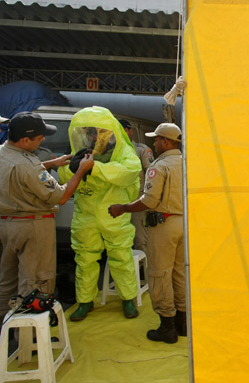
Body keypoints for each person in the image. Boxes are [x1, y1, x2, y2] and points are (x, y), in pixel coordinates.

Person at [0, 112, 94, 322]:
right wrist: (80, 171)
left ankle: (4, 331)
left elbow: (19, 173)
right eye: (39, 137)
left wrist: (51, 163)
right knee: (36, 282)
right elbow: (60, 196)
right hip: (32, 226)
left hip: (6, 224)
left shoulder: (4, 154)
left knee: (7, 282)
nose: (43, 140)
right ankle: (30, 333)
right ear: (25, 140)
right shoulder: (28, 165)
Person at [58, 106, 142, 321]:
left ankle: (128, 299)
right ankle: (85, 301)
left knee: (121, 258)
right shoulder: (82, 151)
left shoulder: (123, 152)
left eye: (99, 131)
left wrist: (93, 168)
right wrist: (74, 168)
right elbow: (64, 177)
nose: (94, 136)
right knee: (85, 259)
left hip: (114, 215)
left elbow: (130, 171)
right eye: (90, 132)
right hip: (86, 215)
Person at [108, 123, 185, 344]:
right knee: (179, 273)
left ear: (166, 141)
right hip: (183, 223)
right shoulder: (186, 163)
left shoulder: (158, 166)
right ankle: (182, 324)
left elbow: (149, 200)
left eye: (157, 139)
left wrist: (123, 208)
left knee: (159, 274)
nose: (154, 142)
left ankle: (167, 327)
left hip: (163, 225)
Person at [118, 118, 154, 253]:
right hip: (118, 202)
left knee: (141, 241)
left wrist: (148, 199)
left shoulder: (141, 150)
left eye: (123, 130)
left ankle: (146, 267)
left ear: (130, 131)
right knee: (120, 242)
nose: (120, 134)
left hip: (138, 202)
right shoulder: (112, 152)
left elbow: (152, 175)